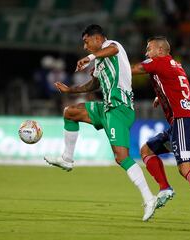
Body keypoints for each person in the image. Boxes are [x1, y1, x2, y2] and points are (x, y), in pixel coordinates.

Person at [44, 24, 157, 221]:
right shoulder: (101, 63)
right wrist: (71, 91)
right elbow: (93, 84)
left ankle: (149, 198)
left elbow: (111, 50)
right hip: (106, 107)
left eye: (86, 42)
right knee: (71, 112)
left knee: (121, 157)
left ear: (98, 39)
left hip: (119, 109)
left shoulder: (113, 46)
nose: (85, 47)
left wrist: (89, 58)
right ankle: (67, 159)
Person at [131, 36, 190, 223]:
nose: (146, 53)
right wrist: (161, 95)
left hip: (183, 122)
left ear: (160, 50)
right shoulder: (176, 65)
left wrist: (110, 68)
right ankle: (165, 187)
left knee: (185, 169)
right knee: (147, 150)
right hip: (180, 123)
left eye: (149, 49)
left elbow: (134, 69)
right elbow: (175, 85)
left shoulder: (159, 62)